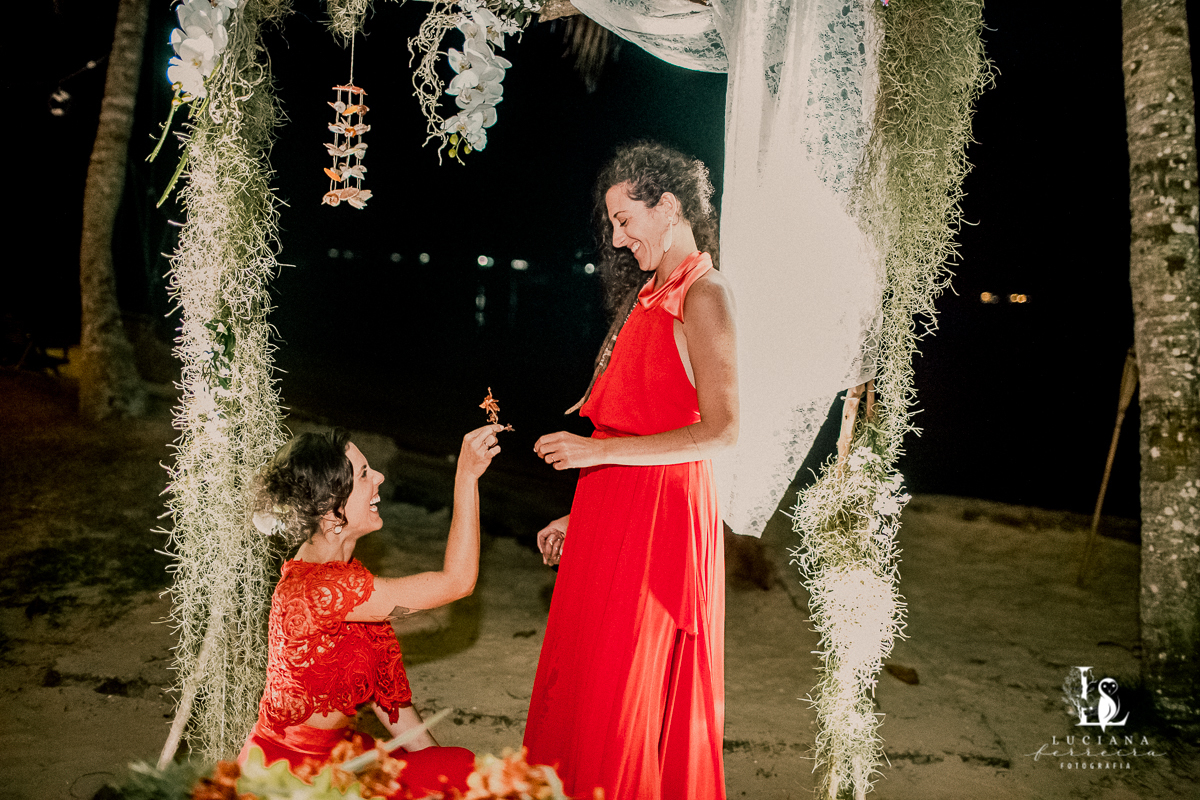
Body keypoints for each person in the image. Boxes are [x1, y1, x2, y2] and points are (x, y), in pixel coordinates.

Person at [524, 142, 737, 800]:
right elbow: (635, 417)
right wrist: (583, 512)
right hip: (617, 507)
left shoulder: (703, 294)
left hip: (664, 521)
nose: (617, 238)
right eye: (612, 223)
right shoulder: (648, 296)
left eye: (626, 219)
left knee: (626, 696)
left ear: (669, 207)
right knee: (584, 683)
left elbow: (724, 429)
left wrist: (598, 454)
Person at [238, 423, 504, 797]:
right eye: (364, 474)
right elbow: (457, 583)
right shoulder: (317, 590)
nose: (378, 476)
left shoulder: (346, 578)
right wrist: (466, 475)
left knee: (455, 766)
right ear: (333, 513)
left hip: (340, 758)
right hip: (294, 777)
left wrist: (436, 760)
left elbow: (386, 695)